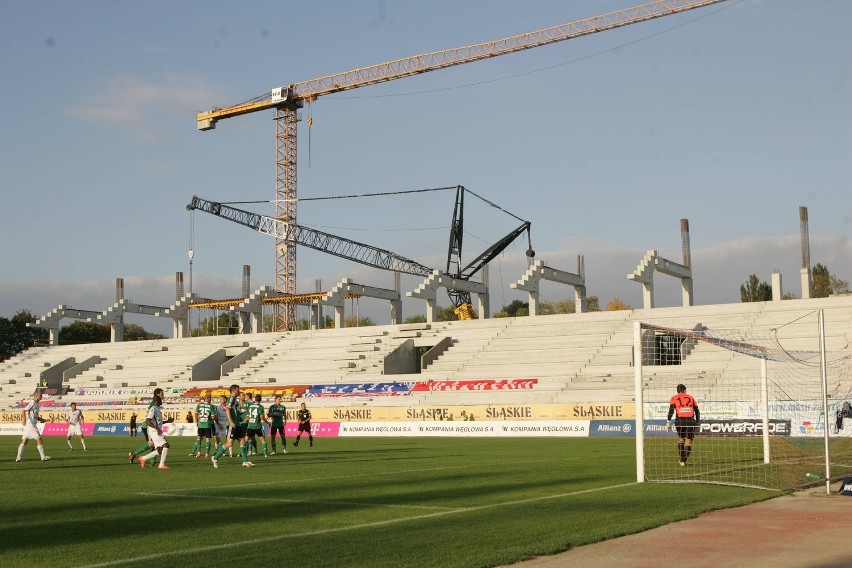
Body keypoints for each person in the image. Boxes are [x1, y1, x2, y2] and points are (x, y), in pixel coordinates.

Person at [210, 384, 254, 468]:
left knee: (242, 441)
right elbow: (227, 410)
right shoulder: (231, 399)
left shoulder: (235, 400)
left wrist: (243, 414)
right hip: (232, 425)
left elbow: (236, 412)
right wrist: (231, 422)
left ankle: (245, 461)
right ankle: (215, 458)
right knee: (229, 443)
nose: (239, 391)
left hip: (237, 424)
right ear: (234, 390)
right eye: (238, 390)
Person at [129, 388, 174, 465]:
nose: (163, 395)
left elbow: (157, 420)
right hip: (148, 427)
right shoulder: (153, 404)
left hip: (151, 426)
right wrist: (156, 428)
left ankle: (143, 459)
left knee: (154, 445)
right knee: (153, 445)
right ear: (157, 395)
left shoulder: (157, 405)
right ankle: (147, 460)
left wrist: (166, 421)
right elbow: (149, 418)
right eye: (162, 394)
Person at [667, 383, 700, 467]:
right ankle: (683, 460)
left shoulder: (674, 398)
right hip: (690, 420)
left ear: (677, 391)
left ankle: (682, 459)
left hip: (679, 421)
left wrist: (668, 421)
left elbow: (671, 410)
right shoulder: (691, 397)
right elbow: (697, 410)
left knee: (681, 439)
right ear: (685, 390)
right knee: (689, 441)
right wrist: (697, 421)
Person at [16, 389, 52, 462]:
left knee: (24, 441)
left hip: (29, 426)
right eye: (40, 395)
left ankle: (18, 458)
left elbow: (36, 417)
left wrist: (45, 420)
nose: (41, 396)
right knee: (40, 440)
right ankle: (43, 457)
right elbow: (24, 410)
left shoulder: (37, 404)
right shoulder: (33, 402)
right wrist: (23, 420)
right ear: (36, 395)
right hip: (31, 425)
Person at [138, 394, 170, 470]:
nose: (161, 400)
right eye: (160, 400)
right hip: (154, 431)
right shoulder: (153, 409)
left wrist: (168, 421)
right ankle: (161, 465)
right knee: (166, 445)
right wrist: (157, 429)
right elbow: (147, 421)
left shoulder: (158, 409)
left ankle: (143, 458)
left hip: (156, 431)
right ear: (156, 401)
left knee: (159, 450)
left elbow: (158, 422)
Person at [190, 393, 215, 458]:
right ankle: (206, 454)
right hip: (207, 424)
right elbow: (213, 417)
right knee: (208, 439)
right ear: (209, 398)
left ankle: (198, 452)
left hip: (200, 424)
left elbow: (195, 414)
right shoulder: (211, 406)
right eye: (210, 398)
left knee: (198, 438)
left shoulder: (199, 405)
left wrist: (196, 421)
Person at [245, 393, 270, 458]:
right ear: (260, 399)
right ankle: (265, 454)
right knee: (263, 440)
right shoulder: (260, 407)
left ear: (255, 399)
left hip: (250, 426)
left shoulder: (250, 406)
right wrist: (268, 423)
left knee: (246, 440)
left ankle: (244, 453)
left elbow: (247, 418)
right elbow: (262, 418)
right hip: (257, 426)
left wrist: (247, 421)